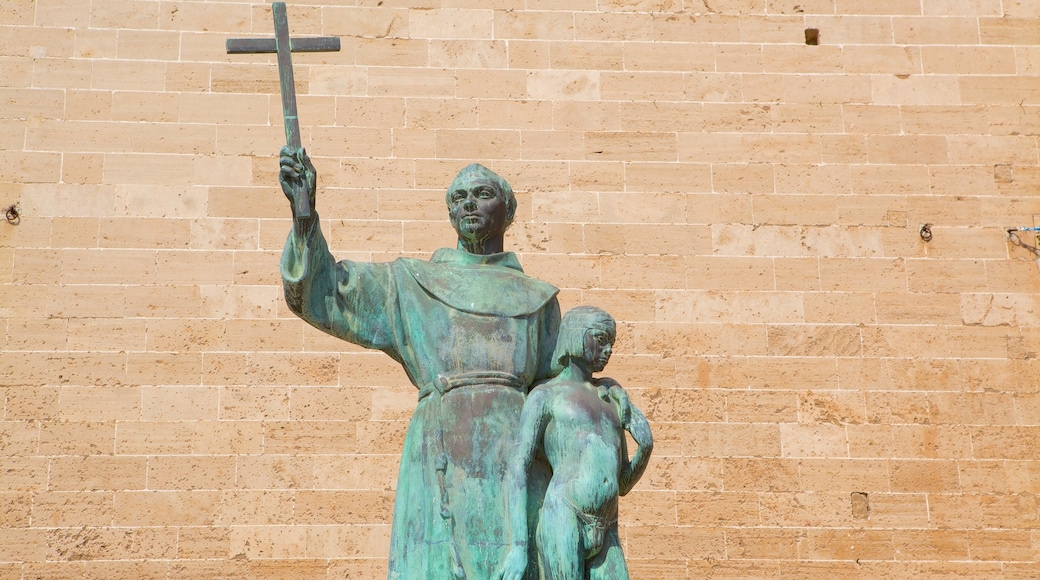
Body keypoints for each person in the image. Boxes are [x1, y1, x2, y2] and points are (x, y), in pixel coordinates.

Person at [278, 146, 561, 579]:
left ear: (508, 210)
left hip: (516, 455)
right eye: (458, 198)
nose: (467, 204)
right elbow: (325, 293)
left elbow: (557, 391)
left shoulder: (540, 298)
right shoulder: (411, 283)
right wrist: (304, 217)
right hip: (439, 448)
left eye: (482, 193)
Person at [497, 306, 653, 580]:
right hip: (564, 516)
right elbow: (518, 467)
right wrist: (519, 548)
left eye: (612, 343)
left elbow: (623, 484)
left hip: (608, 527)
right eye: (601, 339)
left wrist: (646, 447)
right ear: (575, 336)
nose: (609, 350)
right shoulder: (545, 396)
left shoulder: (611, 399)